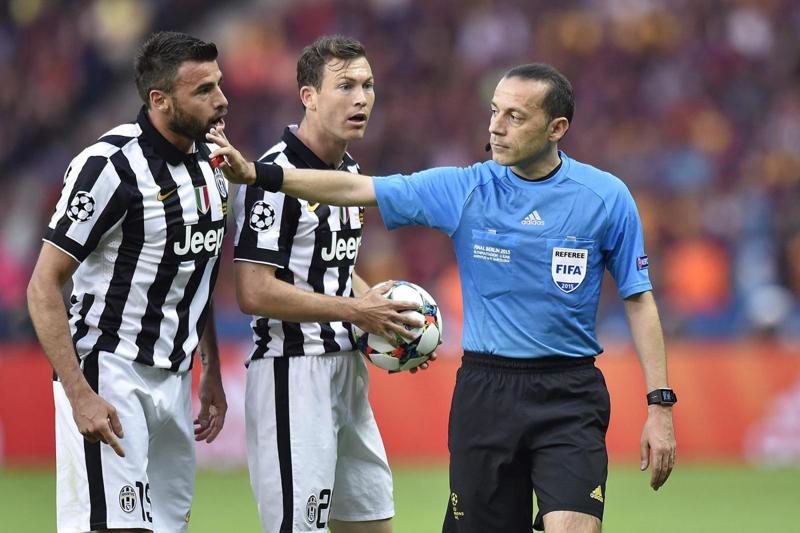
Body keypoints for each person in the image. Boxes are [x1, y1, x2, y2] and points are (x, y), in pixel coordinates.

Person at [210, 62, 678, 533]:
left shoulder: (605, 197)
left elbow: (639, 300)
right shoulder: (465, 188)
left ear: (556, 128)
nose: (496, 126)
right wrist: (258, 174)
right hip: (486, 392)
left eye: (515, 116)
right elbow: (356, 188)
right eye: (494, 111)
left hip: (569, 393)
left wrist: (659, 406)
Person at [27, 31, 230, 533]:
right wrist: (79, 394)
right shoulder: (109, 167)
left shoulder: (215, 164)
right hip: (110, 371)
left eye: (218, 84)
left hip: (176, 380)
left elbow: (198, 272)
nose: (221, 100)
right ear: (160, 100)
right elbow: (43, 285)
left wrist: (211, 368)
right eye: (203, 90)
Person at [231, 35, 422, 533]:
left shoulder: (349, 172)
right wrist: (357, 312)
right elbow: (254, 291)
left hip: (348, 371)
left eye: (368, 85)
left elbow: (333, 270)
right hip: (293, 373)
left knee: (372, 524)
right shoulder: (272, 178)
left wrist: (390, 318)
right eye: (345, 86)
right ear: (309, 96)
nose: (361, 98)